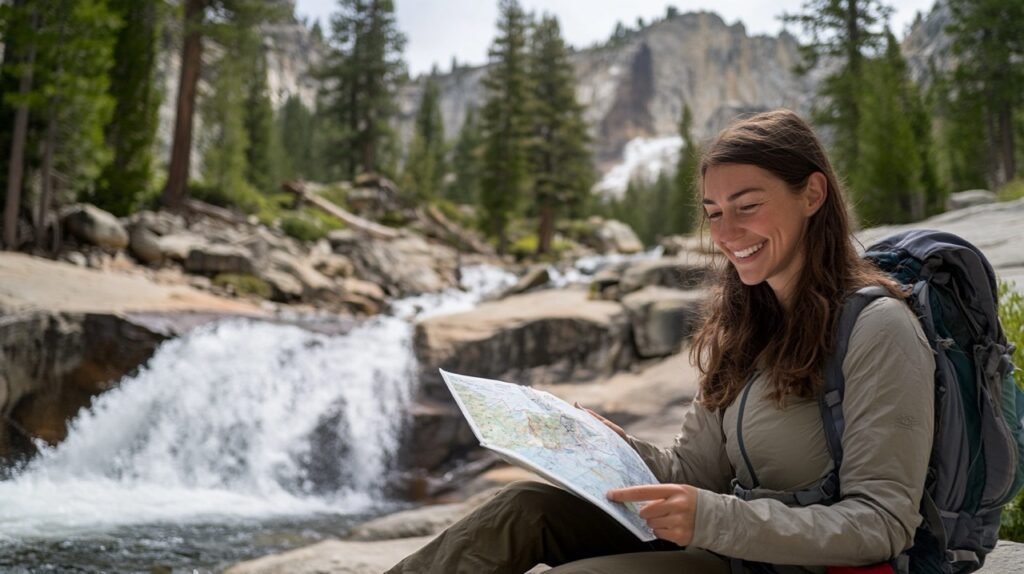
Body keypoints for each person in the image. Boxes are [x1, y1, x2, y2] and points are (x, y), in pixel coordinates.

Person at [386, 109, 935, 574]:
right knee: (523, 508)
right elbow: (692, 476)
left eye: (747, 207)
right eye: (714, 213)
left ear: (812, 193)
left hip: (798, 565)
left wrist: (714, 519)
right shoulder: (746, 326)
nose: (725, 234)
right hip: (731, 544)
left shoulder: (878, 328)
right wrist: (608, 447)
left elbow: (881, 522)